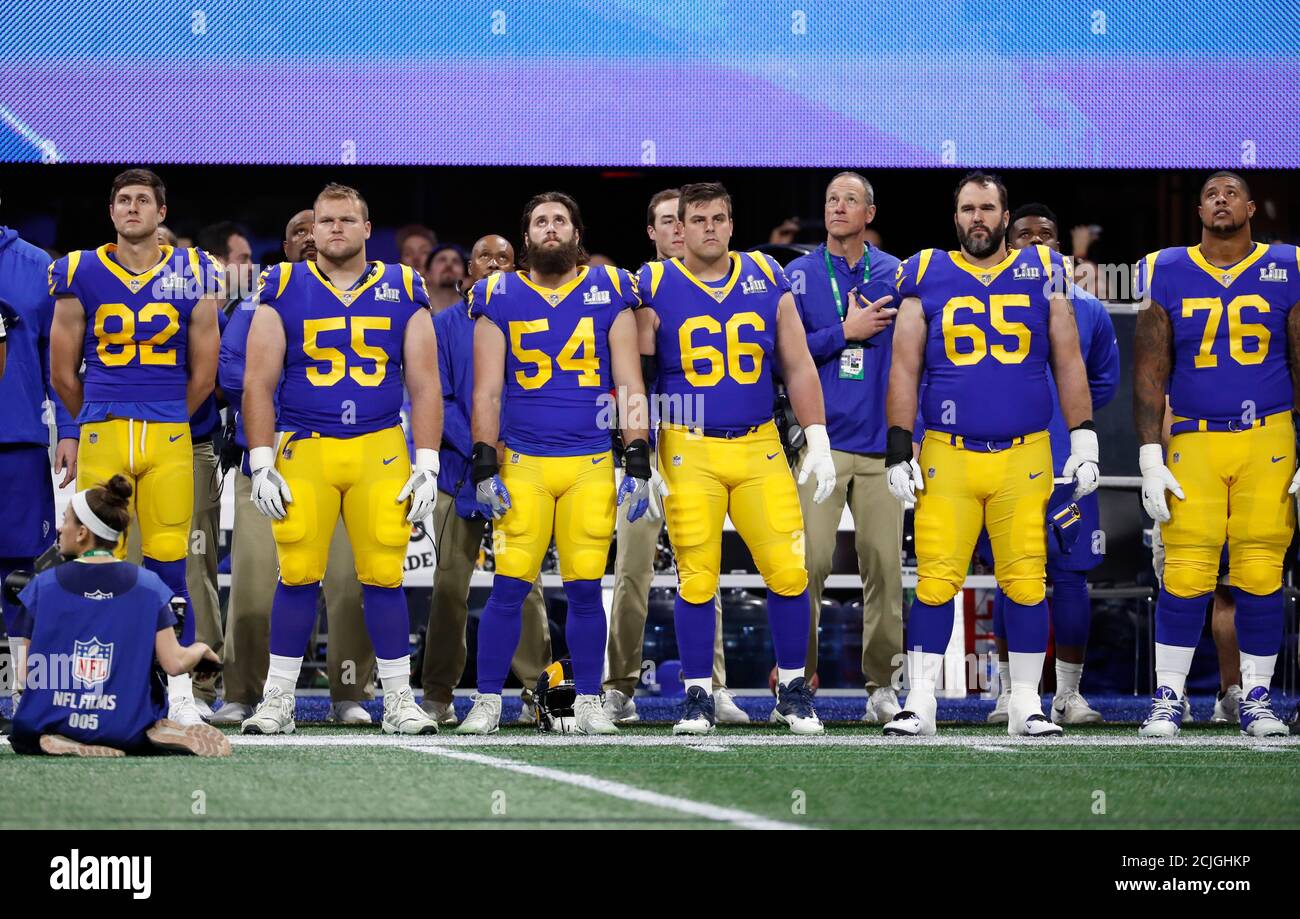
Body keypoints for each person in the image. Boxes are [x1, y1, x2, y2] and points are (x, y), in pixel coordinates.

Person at [883, 171, 1099, 738]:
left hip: (1023, 454)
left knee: (1026, 580)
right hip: (947, 455)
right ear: (955, 217)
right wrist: (898, 446)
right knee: (934, 580)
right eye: (967, 208)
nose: (977, 218)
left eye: (986, 208)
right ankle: (921, 700)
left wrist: (1083, 437)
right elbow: (904, 364)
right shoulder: (926, 270)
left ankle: (1026, 702)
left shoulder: (1044, 270)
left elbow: (1069, 358)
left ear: (1005, 217)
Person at [239, 183, 442, 735]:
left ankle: (400, 699)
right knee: (298, 573)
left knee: (383, 575)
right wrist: (260, 460)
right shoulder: (281, 282)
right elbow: (258, 382)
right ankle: (277, 699)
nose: (334, 229)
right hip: (305, 445)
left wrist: (427, 463)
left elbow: (425, 385)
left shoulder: (403, 284)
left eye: (346, 220)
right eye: (325, 220)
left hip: (379, 445)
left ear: (367, 228)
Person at [636, 182, 835, 735]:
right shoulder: (652, 283)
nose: (707, 228)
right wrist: (639, 450)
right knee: (696, 578)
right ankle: (698, 695)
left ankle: (793, 692)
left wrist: (816, 437)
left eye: (718, 218)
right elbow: (637, 374)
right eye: (696, 219)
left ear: (730, 222)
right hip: (687, 444)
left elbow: (797, 366)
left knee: (788, 571)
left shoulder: (766, 276)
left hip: (759, 443)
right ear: (679, 225)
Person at [457, 191, 650, 736]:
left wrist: (636, 454)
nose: (549, 228)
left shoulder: (610, 288)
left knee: (586, 587)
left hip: (589, 461)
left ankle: (587, 699)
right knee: (510, 586)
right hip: (523, 462)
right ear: (526, 237)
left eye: (559, 220)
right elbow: (487, 390)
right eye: (540, 221)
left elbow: (630, 381)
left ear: (576, 233)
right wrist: (483, 462)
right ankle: (489, 700)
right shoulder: (497, 293)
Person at [48, 168, 223, 728]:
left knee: (171, 566)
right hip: (104, 431)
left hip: (169, 435)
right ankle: (106, 687)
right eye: (122, 200)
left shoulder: (196, 271)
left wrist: (167, 410)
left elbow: (205, 370)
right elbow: (62, 371)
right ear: (111, 212)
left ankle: (177, 694)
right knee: (103, 566)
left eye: (142, 200)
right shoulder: (78, 270)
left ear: (160, 213)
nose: (131, 208)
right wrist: (95, 416)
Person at [1133, 170, 1296, 738]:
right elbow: (1151, 372)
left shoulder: (1288, 265)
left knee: (1259, 570)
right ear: (1197, 209)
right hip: (1196, 436)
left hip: (1267, 435)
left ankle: (1255, 698)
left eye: (1231, 193)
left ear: (1252, 207)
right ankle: (1168, 697)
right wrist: (1150, 456)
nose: (1220, 200)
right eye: (1209, 194)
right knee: (1185, 568)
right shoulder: (1166, 268)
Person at [213, 208, 376, 725]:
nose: (310, 238)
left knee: (350, 586)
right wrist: (302, 384)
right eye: (298, 232)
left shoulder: (370, 295)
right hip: (268, 458)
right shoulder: (261, 297)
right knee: (256, 586)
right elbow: (233, 371)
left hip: (345, 455)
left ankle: (349, 692)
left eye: (319, 229)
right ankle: (243, 691)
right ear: (284, 248)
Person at [604, 188, 742, 725]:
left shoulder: (721, 285)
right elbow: (624, 377)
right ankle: (620, 685)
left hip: (699, 447)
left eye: (682, 221)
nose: (679, 231)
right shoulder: (638, 289)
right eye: (667, 222)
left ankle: (713, 686)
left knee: (701, 571)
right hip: (644, 450)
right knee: (632, 569)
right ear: (654, 232)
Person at [981, 202, 1120, 725]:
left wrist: (1068, 428)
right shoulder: (983, 299)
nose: (1036, 243)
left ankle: (1067, 694)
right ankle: (1007, 695)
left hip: (1064, 467)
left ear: (1060, 246)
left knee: (1069, 578)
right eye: (1024, 235)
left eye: (1047, 235)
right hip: (1007, 461)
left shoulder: (1089, 308)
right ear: (1007, 242)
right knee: (1012, 579)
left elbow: (1100, 384)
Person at [784, 171, 903, 723]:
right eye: (831, 199)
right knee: (806, 565)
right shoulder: (798, 274)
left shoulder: (897, 274)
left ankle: (882, 685)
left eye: (849, 199)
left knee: (884, 568)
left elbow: (915, 361)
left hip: (881, 448)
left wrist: (912, 440)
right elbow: (781, 357)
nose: (837, 207)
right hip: (820, 447)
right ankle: (799, 681)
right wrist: (844, 332)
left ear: (869, 214)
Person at [419, 233, 552, 727]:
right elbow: (438, 398)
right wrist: (483, 448)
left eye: (505, 257)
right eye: (485, 256)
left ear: (517, 269)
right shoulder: (442, 326)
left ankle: (536, 690)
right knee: (450, 585)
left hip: (519, 468)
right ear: (467, 269)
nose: (495, 263)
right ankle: (438, 692)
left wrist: (505, 450)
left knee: (524, 583)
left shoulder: (535, 322)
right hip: (460, 473)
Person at [9, 475, 230, 757]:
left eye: (66, 520)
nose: (60, 528)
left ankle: (60, 736)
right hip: (123, 723)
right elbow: (174, 664)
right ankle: (151, 729)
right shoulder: (150, 587)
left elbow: (26, 673)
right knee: (144, 722)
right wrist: (200, 649)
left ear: (81, 533)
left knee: (25, 733)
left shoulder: (42, 586)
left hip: (51, 716)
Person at [0, 225, 79, 718]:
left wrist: (69, 427)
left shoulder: (37, 267)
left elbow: (61, 358)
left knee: (20, 574)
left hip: (17, 441)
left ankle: (24, 691)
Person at [423, 243, 467, 314]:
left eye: (456, 261)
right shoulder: (413, 313)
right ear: (427, 275)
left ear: (465, 277)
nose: (449, 264)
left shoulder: (476, 315)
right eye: (442, 260)